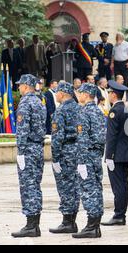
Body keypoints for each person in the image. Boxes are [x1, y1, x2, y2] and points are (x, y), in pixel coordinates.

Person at [11, 74, 47, 237]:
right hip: (38, 148)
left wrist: (21, 151)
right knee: (35, 185)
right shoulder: (39, 102)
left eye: (20, 85)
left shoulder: (26, 103)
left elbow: (23, 129)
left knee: (28, 186)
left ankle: (31, 225)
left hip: (28, 150)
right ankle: (34, 224)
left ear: (26, 86)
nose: (18, 88)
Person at [73, 83, 107, 238]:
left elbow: (82, 139)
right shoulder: (98, 111)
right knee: (96, 189)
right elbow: (101, 137)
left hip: (86, 156)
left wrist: (81, 161)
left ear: (86, 94)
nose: (78, 95)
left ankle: (92, 226)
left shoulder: (84, 112)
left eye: (80, 92)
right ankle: (95, 225)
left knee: (88, 190)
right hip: (95, 156)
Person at [49, 82, 82, 234]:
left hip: (65, 152)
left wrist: (55, 158)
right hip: (77, 150)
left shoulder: (61, 110)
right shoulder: (78, 107)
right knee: (74, 186)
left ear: (62, 93)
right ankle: (72, 220)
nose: (55, 95)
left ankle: (67, 222)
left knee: (65, 186)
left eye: (57, 92)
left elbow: (57, 136)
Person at [102, 80, 128, 226]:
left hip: (117, 155)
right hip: (125, 153)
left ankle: (119, 215)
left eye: (109, 93)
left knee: (118, 186)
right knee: (123, 184)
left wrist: (109, 156)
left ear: (113, 94)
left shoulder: (114, 111)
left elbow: (112, 136)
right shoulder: (126, 109)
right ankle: (121, 213)